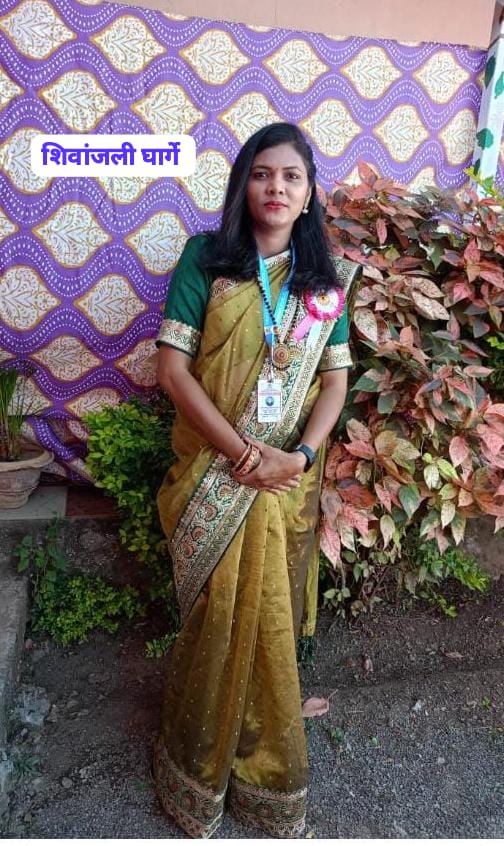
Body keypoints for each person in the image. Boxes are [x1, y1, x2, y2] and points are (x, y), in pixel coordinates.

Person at [153, 122, 355, 838]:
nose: (276, 187)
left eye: (291, 177)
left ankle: (264, 761)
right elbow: (172, 371)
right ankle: (195, 766)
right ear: (244, 185)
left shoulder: (325, 283)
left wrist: (298, 457)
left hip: (285, 482)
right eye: (263, 174)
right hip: (216, 469)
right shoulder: (206, 259)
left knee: (269, 615)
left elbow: (334, 381)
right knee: (219, 614)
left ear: (309, 194)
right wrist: (244, 454)